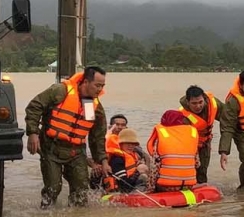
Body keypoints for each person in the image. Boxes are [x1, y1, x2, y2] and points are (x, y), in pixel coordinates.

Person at [25, 67, 110, 208]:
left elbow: (97, 136)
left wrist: (103, 160)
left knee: (81, 190)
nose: (100, 89)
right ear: (86, 82)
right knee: (53, 187)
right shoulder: (60, 91)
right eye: (97, 85)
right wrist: (32, 133)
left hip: (76, 152)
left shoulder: (92, 106)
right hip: (51, 147)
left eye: (102, 86)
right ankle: (45, 216)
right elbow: (35, 107)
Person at [178, 86, 221, 183]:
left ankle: (202, 189)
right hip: (189, 147)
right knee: (190, 170)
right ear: (188, 102)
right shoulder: (182, 116)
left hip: (205, 143)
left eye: (200, 102)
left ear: (205, 100)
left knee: (202, 170)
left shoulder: (212, 104)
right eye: (194, 103)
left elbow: (227, 119)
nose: (198, 106)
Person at [148, 110, 201, 190]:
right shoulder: (191, 135)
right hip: (188, 185)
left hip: (166, 186)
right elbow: (197, 164)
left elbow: (155, 167)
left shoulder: (162, 137)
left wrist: (150, 188)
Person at [105, 128, 150, 192]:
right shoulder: (117, 159)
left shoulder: (134, 156)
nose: (130, 146)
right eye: (127, 143)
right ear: (120, 144)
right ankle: (138, 196)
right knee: (143, 176)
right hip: (120, 191)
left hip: (128, 185)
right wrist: (138, 172)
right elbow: (125, 184)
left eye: (133, 144)